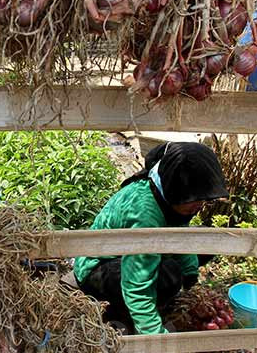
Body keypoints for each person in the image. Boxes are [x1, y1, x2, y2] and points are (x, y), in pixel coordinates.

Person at [69, 142, 228, 335]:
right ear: (175, 193)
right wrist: (155, 337)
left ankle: (158, 298)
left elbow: (180, 232)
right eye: (195, 200)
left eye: (203, 200)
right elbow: (137, 285)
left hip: (134, 253)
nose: (200, 205)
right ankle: (120, 314)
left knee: (205, 240)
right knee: (168, 275)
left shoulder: (168, 189)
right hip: (97, 267)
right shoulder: (145, 215)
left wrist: (191, 281)